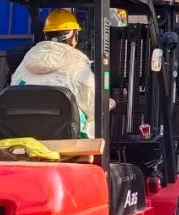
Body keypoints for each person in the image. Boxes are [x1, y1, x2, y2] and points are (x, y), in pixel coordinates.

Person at [9, 9, 115, 138]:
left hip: (23, 135)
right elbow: (94, 108)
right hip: (63, 139)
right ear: (73, 37)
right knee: (97, 116)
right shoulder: (77, 66)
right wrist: (108, 103)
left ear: (46, 35)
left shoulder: (23, 65)